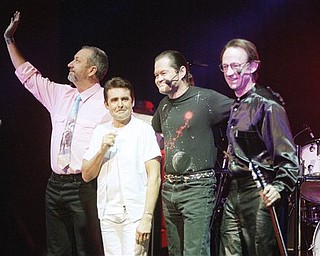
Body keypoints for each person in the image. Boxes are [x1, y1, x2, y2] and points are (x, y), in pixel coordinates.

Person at [4, 11, 111, 255]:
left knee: (88, 250)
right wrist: (10, 40)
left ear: (93, 69)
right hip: (54, 185)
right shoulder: (61, 95)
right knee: (57, 250)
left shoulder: (106, 102)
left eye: (77, 60)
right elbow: (28, 76)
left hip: (84, 186)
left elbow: (131, 123)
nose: (69, 64)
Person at [218, 38, 299, 256]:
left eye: (236, 65)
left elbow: (289, 159)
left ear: (253, 66)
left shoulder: (267, 105)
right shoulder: (236, 105)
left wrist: (280, 187)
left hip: (259, 192)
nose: (229, 72)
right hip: (234, 192)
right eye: (225, 66)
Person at [152, 50, 232, 255]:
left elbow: (242, 110)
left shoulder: (204, 98)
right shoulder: (163, 106)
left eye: (163, 73)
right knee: (175, 251)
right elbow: (152, 129)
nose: (158, 79)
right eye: (155, 75)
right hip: (170, 189)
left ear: (181, 71)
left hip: (197, 187)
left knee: (194, 251)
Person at [82, 77, 161, 255]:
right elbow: (87, 175)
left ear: (132, 101)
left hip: (135, 214)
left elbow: (154, 177)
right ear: (106, 104)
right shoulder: (100, 131)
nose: (120, 104)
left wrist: (147, 217)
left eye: (124, 99)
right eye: (114, 100)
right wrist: (102, 150)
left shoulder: (143, 130)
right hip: (108, 213)